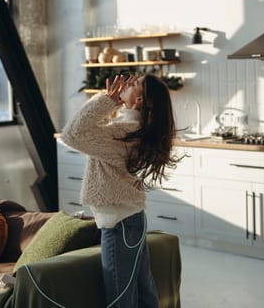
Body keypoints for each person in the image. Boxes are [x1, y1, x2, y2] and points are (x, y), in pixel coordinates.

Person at [61, 73, 180, 308]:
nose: (126, 85)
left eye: (134, 85)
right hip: (130, 220)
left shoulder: (125, 133)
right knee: (144, 295)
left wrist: (106, 100)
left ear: (140, 101)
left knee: (120, 300)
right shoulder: (133, 130)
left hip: (119, 226)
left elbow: (72, 134)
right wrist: (111, 104)